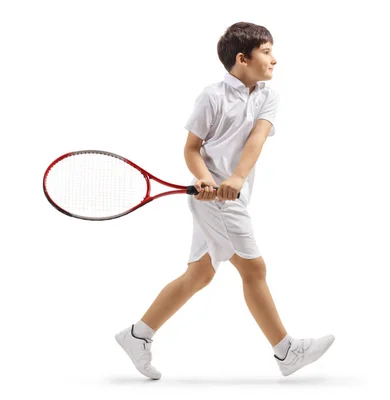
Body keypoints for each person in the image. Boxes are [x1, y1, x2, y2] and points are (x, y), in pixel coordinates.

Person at [115, 21, 335, 380]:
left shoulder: (267, 95)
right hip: (214, 200)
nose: (274, 59)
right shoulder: (212, 96)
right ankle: (286, 351)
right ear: (242, 58)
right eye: (266, 51)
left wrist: (236, 178)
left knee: (199, 274)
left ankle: (137, 335)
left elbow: (256, 141)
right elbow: (191, 149)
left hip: (234, 194)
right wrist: (205, 177)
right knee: (254, 270)